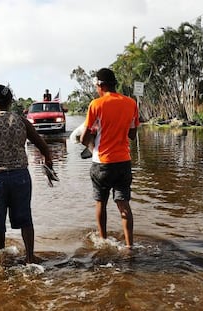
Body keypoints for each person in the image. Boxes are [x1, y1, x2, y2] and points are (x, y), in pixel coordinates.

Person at [0, 84, 53, 264]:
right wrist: (48, 167)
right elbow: (43, 147)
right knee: (25, 220)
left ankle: (2, 261)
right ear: (10, 101)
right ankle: (30, 258)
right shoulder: (21, 121)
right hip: (20, 177)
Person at [80, 68, 140, 248]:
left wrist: (90, 143)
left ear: (100, 85)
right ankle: (130, 246)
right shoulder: (131, 103)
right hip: (123, 161)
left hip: (102, 163)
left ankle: (103, 240)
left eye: (96, 86)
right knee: (124, 205)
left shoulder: (96, 105)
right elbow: (132, 134)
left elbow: (84, 137)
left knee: (101, 203)